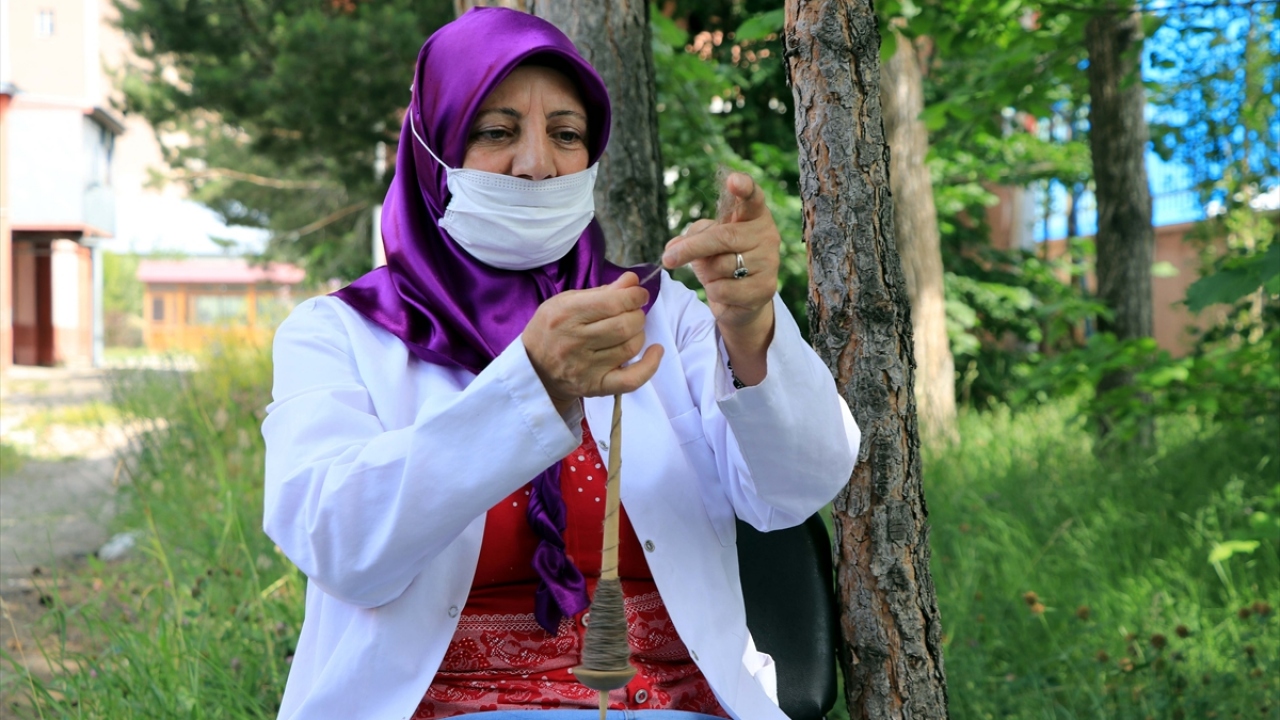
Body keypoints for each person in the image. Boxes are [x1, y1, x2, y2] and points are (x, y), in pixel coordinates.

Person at [261, 8, 858, 720]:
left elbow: (795, 489)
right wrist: (531, 385)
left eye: (566, 134)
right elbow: (339, 543)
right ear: (431, 148)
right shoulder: (342, 335)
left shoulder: (660, 314)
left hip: (675, 706)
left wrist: (751, 324)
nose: (537, 164)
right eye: (496, 131)